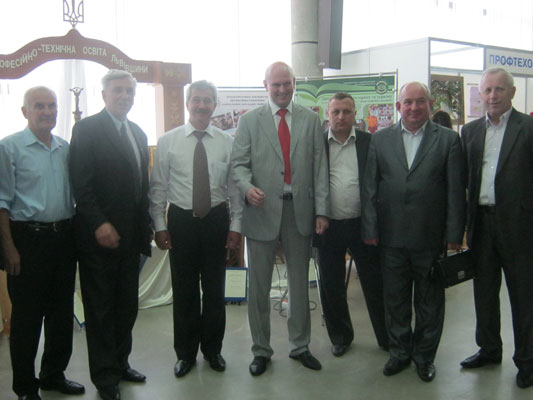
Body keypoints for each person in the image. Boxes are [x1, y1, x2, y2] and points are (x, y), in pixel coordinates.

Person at [361, 82, 465, 382]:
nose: (414, 107)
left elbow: (456, 191)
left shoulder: (448, 140)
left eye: (420, 101)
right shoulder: (380, 140)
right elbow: (370, 188)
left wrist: (454, 234)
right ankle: (399, 352)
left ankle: (424, 357)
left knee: (429, 302)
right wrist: (370, 227)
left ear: (430, 104)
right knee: (395, 300)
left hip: (430, 237)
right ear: (399, 106)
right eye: (408, 102)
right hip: (390, 237)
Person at [231, 61, 330, 376]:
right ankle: (261, 350)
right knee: (259, 287)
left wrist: (322, 211)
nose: (282, 89)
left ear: (294, 83)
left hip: (299, 212)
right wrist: (247, 188)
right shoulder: (249, 121)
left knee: (299, 284)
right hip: (261, 212)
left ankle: (300, 346)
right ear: (266, 86)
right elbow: (238, 165)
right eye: (276, 84)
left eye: (287, 83)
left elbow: (320, 169)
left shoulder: (311, 120)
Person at [149, 80, 243, 378]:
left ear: (215, 105)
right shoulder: (168, 141)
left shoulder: (227, 142)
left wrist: (236, 225)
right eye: (197, 100)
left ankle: (213, 350)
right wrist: (159, 226)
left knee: (215, 290)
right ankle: (186, 354)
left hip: (216, 220)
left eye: (207, 100)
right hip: (181, 222)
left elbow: (234, 189)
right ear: (188, 103)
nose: (202, 105)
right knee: (185, 290)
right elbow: (158, 187)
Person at [69, 70, 152, 400]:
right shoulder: (86, 130)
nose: (124, 96)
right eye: (117, 90)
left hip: (131, 239)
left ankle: (120, 363)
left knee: (126, 306)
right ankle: (105, 377)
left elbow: (141, 188)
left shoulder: (138, 133)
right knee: (101, 310)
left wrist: (146, 229)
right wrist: (99, 223)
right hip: (98, 239)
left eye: (129, 91)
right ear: (104, 94)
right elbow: (81, 186)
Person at [0, 87, 84, 400]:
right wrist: (9, 248)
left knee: (61, 315)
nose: (47, 112)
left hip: (63, 239)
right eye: (39, 106)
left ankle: (53, 375)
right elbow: (1, 203)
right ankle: (25, 386)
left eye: (52, 106)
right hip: (27, 241)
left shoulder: (64, 148)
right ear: (25, 111)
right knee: (27, 318)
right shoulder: (9, 148)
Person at [460, 67, 533, 389]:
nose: (492, 96)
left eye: (499, 89)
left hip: (520, 227)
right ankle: (489, 349)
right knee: (484, 293)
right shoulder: (470, 132)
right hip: (481, 224)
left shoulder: (528, 128)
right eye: (487, 90)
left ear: (512, 93)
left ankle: (527, 361)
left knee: (523, 296)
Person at [315, 92, 388, 357]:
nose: (341, 117)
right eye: (335, 112)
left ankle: (387, 337)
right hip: (328, 225)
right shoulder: (317, 143)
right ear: (327, 114)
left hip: (363, 225)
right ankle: (341, 337)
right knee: (331, 286)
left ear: (355, 114)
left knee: (375, 283)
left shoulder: (370, 142)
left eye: (346, 111)